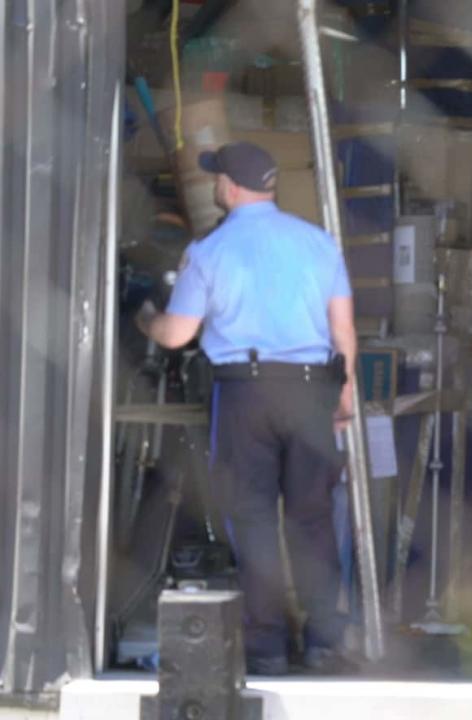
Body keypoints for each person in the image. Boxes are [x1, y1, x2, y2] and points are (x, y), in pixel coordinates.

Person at [136, 141, 357, 676]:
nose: (214, 185)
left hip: (245, 393)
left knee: (253, 519)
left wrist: (147, 319)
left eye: (217, 178)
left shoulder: (208, 252)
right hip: (310, 389)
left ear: (229, 188)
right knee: (312, 517)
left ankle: (267, 648)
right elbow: (342, 328)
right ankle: (325, 641)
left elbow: (178, 334)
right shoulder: (319, 243)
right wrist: (345, 393)